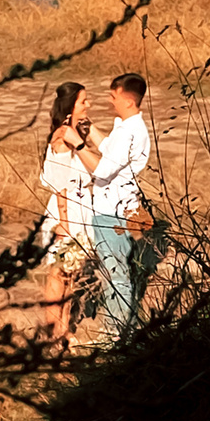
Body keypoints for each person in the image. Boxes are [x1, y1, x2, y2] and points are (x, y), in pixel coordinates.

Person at [83, 72, 153, 346]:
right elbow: (109, 149)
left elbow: (102, 167)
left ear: (126, 99)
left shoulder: (131, 132)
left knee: (116, 274)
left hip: (112, 211)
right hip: (115, 209)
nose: (110, 102)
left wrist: (78, 145)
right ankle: (120, 328)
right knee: (117, 271)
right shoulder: (129, 129)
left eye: (113, 97)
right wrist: (89, 130)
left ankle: (115, 334)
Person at [34, 81, 95, 343]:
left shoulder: (73, 136)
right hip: (65, 218)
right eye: (83, 101)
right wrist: (66, 226)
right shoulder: (62, 140)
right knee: (58, 276)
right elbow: (61, 188)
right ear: (70, 107)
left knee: (70, 275)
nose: (88, 105)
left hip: (78, 216)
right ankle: (54, 330)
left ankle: (63, 328)